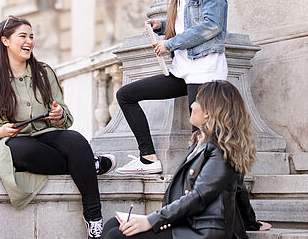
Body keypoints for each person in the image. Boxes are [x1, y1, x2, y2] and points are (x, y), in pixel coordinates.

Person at [0, 16, 117, 239]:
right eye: (22, 36)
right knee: (25, 151)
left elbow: (66, 118)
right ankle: (89, 165)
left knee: (76, 141)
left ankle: (94, 217)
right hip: (6, 142)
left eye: (31, 36)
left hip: (43, 134)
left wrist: (58, 116)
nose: (29, 41)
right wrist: (1, 131)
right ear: (5, 41)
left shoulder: (44, 72)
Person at [102, 80, 256, 239]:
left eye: (197, 101)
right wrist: (252, 222)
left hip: (202, 231)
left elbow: (199, 196)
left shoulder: (220, 150)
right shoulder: (200, 142)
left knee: (116, 236)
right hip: (187, 223)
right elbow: (239, 188)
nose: (191, 105)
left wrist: (151, 220)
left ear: (208, 112)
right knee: (113, 224)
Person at [114, 0, 229, 174]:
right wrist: (161, 26)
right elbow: (188, 22)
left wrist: (170, 44)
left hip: (204, 70)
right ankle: (148, 158)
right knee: (126, 95)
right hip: (181, 71)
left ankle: (205, 190)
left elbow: (212, 25)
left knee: (200, 141)